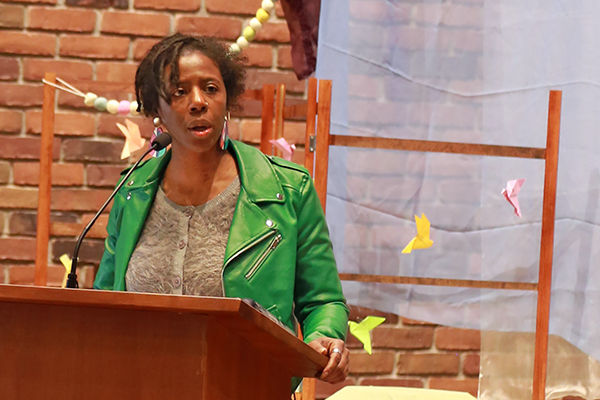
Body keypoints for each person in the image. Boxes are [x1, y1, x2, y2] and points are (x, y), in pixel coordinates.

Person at [93, 33, 349, 385]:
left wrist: (323, 337)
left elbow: (322, 300)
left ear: (227, 99)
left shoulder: (288, 190)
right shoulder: (131, 191)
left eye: (211, 89)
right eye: (179, 92)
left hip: (251, 387)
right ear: (156, 111)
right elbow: (104, 302)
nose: (198, 102)